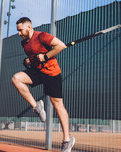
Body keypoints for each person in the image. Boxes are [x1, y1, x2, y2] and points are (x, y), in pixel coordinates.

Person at [12, 17, 75, 152]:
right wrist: (28, 61)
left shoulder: (42, 36)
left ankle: (67, 140)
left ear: (28, 27)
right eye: (18, 31)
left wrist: (46, 56)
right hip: (37, 71)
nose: (19, 33)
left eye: (20, 30)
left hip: (51, 73)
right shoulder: (24, 43)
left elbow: (61, 45)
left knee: (57, 105)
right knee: (16, 79)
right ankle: (37, 107)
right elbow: (34, 56)